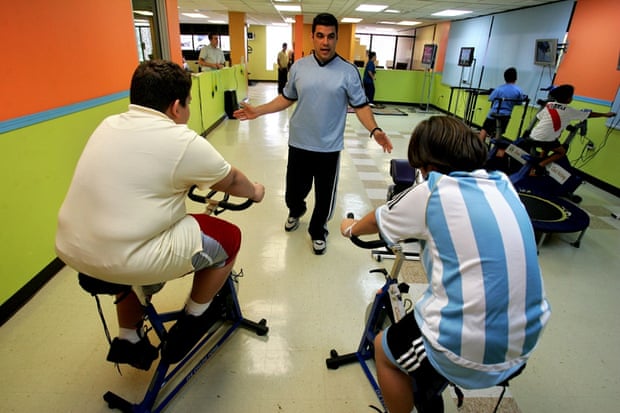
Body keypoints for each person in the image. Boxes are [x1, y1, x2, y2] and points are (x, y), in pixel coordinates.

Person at [55, 60, 265, 369]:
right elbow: (232, 180)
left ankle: (128, 336)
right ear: (176, 106)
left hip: (75, 251)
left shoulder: (107, 125)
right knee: (229, 237)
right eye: (189, 104)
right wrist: (256, 191)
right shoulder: (182, 140)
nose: (188, 112)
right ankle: (194, 318)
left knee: (125, 240)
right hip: (123, 257)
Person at [340, 116, 551, 413]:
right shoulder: (502, 184)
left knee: (384, 352)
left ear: (429, 166)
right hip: (526, 338)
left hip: (466, 349)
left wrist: (349, 227)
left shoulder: (434, 190)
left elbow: (377, 219)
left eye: (421, 169)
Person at [233, 13, 392, 255]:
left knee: (324, 197)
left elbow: (360, 106)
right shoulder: (298, 67)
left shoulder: (348, 71)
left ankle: (318, 231)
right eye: (320, 36)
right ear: (313, 37)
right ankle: (296, 211)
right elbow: (286, 98)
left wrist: (375, 129)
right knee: (293, 192)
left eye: (330, 36)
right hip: (299, 143)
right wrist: (259, 111)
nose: (325, 42)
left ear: (337, 38)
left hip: (328, 148)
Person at [526, 84, 615, 170]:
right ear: (568, 99)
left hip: (533, 136)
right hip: (546, 140)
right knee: (561, 152)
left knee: (550, 143)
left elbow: (540, 117)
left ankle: (540, 159)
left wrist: (565, 125)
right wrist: (605, 114)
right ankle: (541, 165)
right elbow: (588, 114)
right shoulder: (569, 111)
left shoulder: (549, 105)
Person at [479, 67, 527, 142]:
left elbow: (491, 98)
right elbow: (519, 102)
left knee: (484, 129)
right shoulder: (518, 90)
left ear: (505, 78)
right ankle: (495, 146)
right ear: (515, 78)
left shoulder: (499, 89)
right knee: (499, 132)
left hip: (493, 114)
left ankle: (479, 145)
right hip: (506, 116)